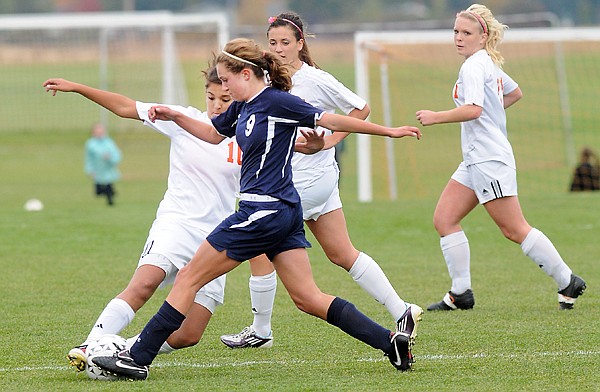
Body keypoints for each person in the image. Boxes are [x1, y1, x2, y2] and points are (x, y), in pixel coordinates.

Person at [91, 37, 422, 380]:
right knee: (308, 298)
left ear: (246, 73)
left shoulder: (278, 102)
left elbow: (334, 121)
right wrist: (175, 115)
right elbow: (212, 135)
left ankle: (137, 357)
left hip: (260, 212)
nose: (223, 87)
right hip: (283, 213)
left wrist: (389, 131)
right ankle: (389, 342)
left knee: (188, 277)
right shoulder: (242, 106)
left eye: (227, 79)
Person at [43, 65, 277, 373]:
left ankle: (121, 350)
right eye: (211, 97)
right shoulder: (183, 119)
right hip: (176, 222)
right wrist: (78, 87)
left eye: (225, 98)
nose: (218, 105)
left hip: (217, 234)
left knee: (189, 334)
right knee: (145, 282)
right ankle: (92, 345)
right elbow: (127, 107)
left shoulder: (250, 132)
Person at [220, 11, 422, 351]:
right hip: (316, 183)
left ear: (300, 44)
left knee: (259, 245)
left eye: (286, 42)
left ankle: (261, 328)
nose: (279, 49)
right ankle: (402, 311)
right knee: (342, 254)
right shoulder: (265, 82)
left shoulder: (314, 80)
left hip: (302, 183)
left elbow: (360, 108)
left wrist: (328, 141)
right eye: (272, 43)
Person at [415, 4, 586, 312]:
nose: (458, 37)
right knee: (444, 219)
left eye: (466, 33)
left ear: (483, 37)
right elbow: (514, 92)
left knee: (514, 229)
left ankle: (567, 280)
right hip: (474, 159)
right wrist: (490, 117)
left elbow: (474, 110)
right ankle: (460, 293)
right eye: (456, 31)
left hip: (488, 159)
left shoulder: (474, 66)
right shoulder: (485, 63)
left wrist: (436, 116)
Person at [84, 122, 121, 205]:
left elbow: (116, 155)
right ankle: (111, 192)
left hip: (108, 169)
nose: (99, 134)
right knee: (98, 191)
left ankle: (110, 200)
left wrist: (110, 158)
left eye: (101, 132)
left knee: (108, 185)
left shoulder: (109, 143)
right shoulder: (91, 144)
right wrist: (89, 169)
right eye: (97, 132)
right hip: (97, 169)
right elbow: (88, 158)